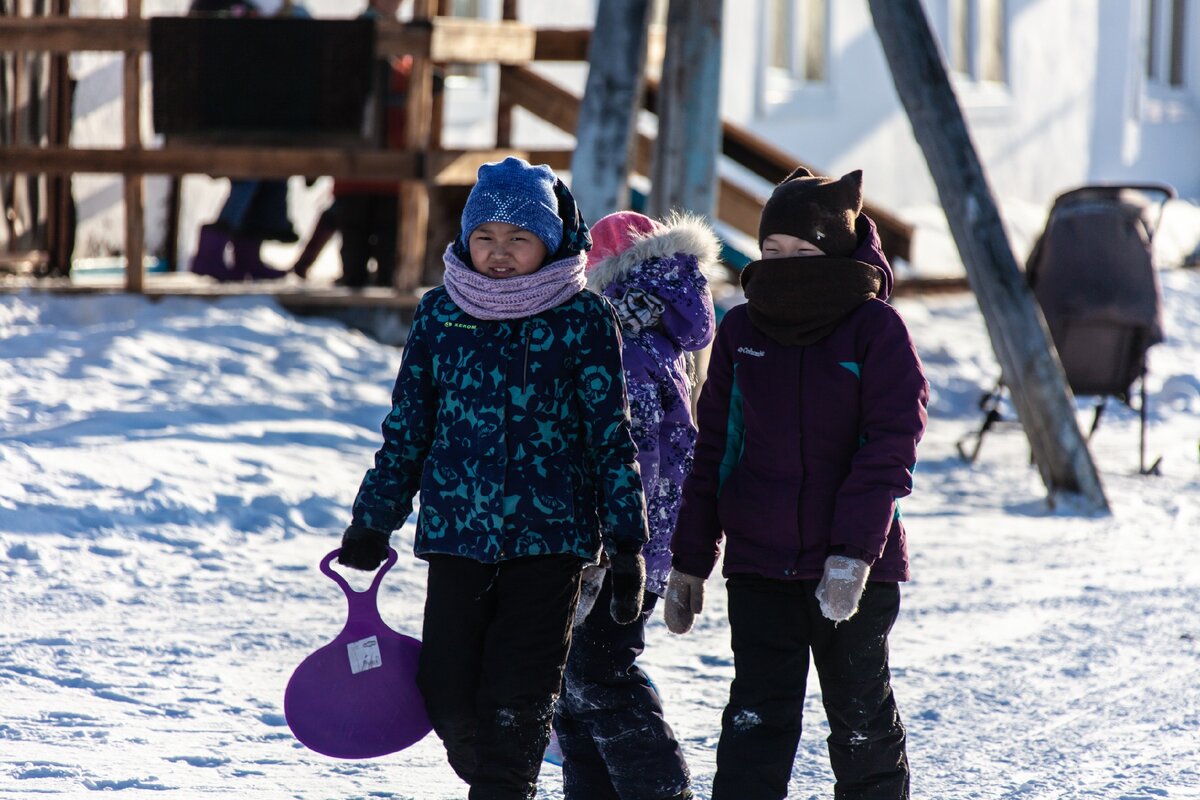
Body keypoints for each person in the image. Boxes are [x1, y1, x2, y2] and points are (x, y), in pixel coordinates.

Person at [337, 156, 650, 800]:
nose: (499, 254)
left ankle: (506, 784)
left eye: (518, 239)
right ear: (465, 239)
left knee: (520, 694)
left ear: (551, 243)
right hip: (458, 537)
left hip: (553, 540)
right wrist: (372, 519)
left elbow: (610, 437)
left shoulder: (582, 319)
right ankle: (503, 778)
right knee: (446, 692)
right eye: (485, 238)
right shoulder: (439, 316)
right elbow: (408, 431)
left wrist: (625, 541)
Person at [664, 167, 929, 800]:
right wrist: (690, 560)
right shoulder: (742, 330)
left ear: (834, 251)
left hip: (854, 568)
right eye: (772, 251)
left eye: (803, 252)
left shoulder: (874, 330)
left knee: (859, 718)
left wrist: (855, 554)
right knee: (756, 716)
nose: (784, 265)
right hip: (759, 565)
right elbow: (714, 450)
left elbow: (888, 450)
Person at [553, 210, 719, 800]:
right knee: (573, 684)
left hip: (621, 545)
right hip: (637, 537)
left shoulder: (624, 342)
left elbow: (637, 453)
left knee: (598, 673)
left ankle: (659, 790)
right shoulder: (657, 326)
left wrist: (604, 546)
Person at [291, 0, 411, 287]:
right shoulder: (366, 41)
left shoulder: (398, 46)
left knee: (373, 249)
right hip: (367, 170)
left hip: (375, 173)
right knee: (365, 250)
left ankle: (313, 267)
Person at [187, 0, 299, 282]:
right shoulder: (215, 7)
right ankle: (210, 254)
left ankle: (248, 254)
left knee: (272, 166)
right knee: (249, 173)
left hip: (261, 113)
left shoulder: (287, 10)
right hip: (221, 114)